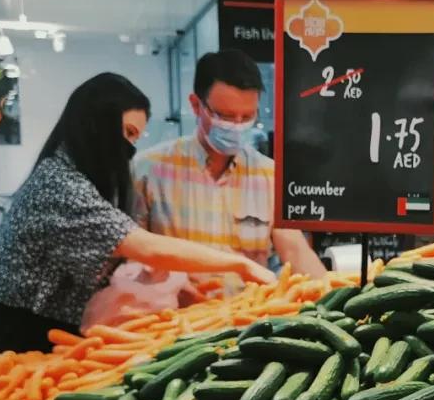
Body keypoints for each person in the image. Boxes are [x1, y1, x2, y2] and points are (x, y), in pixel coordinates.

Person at [0, 72, 274, 367]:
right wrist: (240, 264)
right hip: (14, 347)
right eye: (127, 133)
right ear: (96, 124)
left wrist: (167, 284)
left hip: (47, 340)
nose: (129, 148)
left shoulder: (70, 178)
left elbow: (119, 255)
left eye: (136, 137)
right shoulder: (59, 185)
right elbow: (145, 246)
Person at [133, 49, 326, 277]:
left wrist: (329, 292)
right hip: (172, 310)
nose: (236, 126)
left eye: (247, 117)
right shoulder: (148, 170)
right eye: (224, 116)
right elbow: (130, 254)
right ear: (196, 105)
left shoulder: (270, 177)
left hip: (247, 310)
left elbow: (295, 251)